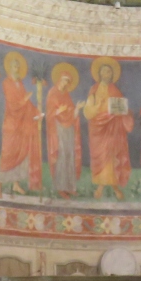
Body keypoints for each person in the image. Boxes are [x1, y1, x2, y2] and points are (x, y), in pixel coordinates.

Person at [83, 57, 133, 199]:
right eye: (105, 71)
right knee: (102, 157)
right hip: (98, 129)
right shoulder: (94, 89)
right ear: (99, 73)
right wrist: (98, 106)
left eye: (109, 72)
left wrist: (125, 112)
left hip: (113, 128)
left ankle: (113, 187)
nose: (107, 74)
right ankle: (101, 186)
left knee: (112, 157)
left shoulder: (115, 90)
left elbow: (122, 108)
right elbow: (88, 111)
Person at [0, 51, 42, 193]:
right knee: (9, 153)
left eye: (18, 67)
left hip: (22, 123)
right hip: (12, 123)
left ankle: (16, 184)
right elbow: (12, 104)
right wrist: (24, 100)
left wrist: (36, 112)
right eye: (14, 66)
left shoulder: (20, 83)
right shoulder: (6, 83)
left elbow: (27, 103)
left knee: (20, 153)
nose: (17, 69)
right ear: (9, 68)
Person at [46, 63, 82, 196]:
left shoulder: (66, 94)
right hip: (58, 128)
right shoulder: (52, 93)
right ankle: (61, 187)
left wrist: (77, 109)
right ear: (59, 79)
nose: (66, 83)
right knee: (61, 155)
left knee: (69, 154)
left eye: (68, 81)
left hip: (69, 128)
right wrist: (58, 111)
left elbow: (72, 112)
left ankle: (70, 186)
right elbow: (49, 114)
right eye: (64, 80)